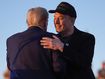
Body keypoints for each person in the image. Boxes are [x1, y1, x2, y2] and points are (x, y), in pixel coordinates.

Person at [40, 2, 96, 79]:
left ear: (72, 20)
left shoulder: (87, 38)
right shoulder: (51, 39)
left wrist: (61, 47)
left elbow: (84, 62)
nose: (56, 22)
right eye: (54, 18)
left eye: (61, 18)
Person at [6, 7, 56, 79]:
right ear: (44, 22)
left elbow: (10, 66)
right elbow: (59, 67)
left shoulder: (11, 40)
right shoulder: (52, 38)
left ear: (27, 22)